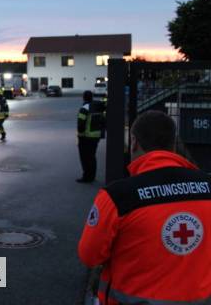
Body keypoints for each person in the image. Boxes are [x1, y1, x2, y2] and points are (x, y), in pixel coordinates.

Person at [78, 111, 211, 304]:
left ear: (133, 142)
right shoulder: (207, 186)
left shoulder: (117, 196)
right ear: (173, 145)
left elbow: (90, 256)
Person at [76, 90, 104, 183]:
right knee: (92, 157)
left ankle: (86, 177)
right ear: (92, 97)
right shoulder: (97, 107)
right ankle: (92, 176)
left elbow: (80, 124)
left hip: (86, 137)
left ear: (83, 97)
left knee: (85, 158)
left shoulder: (84, 108)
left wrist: (80, 135)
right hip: (96, 136)